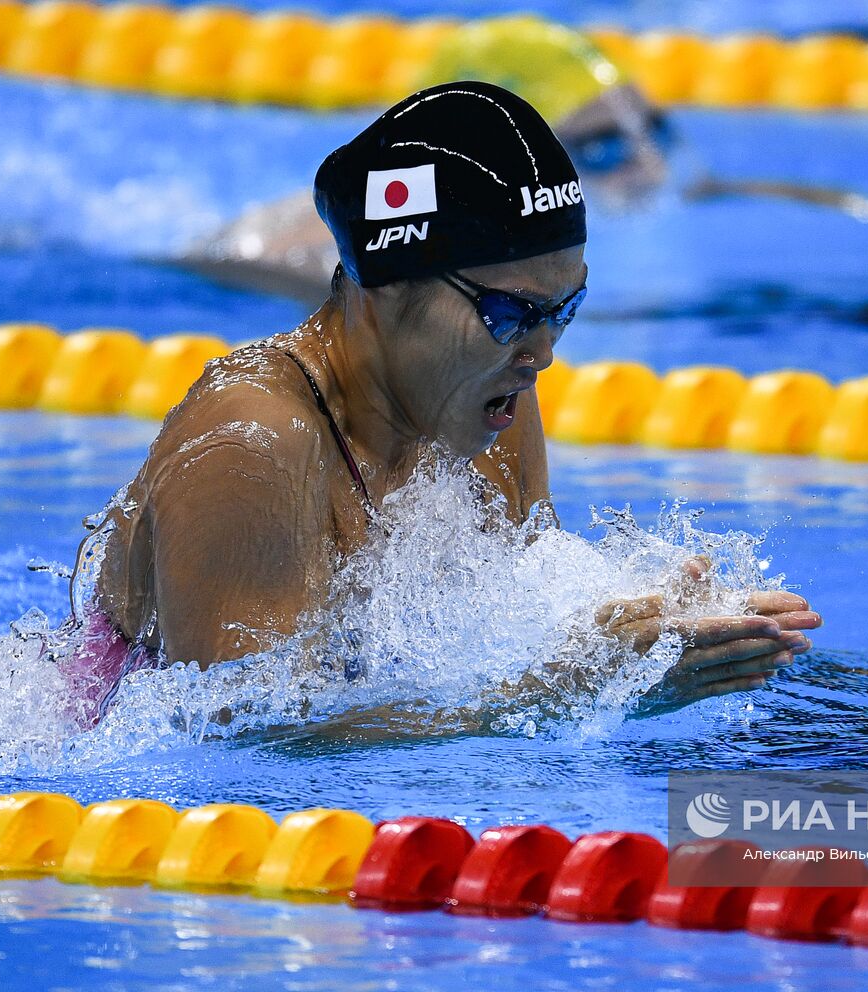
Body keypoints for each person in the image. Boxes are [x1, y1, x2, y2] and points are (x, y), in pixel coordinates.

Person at [68, 81, 820, 727]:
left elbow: (506, 612)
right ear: (385, 289)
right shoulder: (254, 441)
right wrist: (556, 694)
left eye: (566, 308)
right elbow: (238, 731)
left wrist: (641, 631)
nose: (542, 353)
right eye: (510, 314)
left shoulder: (486, 400)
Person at [182, 16, 670, 304]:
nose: (653, 170)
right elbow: (223, 267)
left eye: (657, 131)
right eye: (604, 149)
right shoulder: (364, 232)